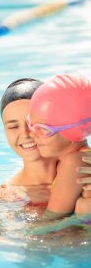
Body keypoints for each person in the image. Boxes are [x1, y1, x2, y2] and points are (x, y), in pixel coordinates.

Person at [0, 78, 57, 203]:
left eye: (32, 123)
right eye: (13, 127)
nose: (25, 134)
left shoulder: (82, 166)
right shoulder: (4, 198)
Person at [27, 73, 91, 218]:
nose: (31, 134)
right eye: (30, 124)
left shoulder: (74, 162)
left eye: (42, 129)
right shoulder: (69, 158)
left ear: (73, 131)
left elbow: (52, 220)